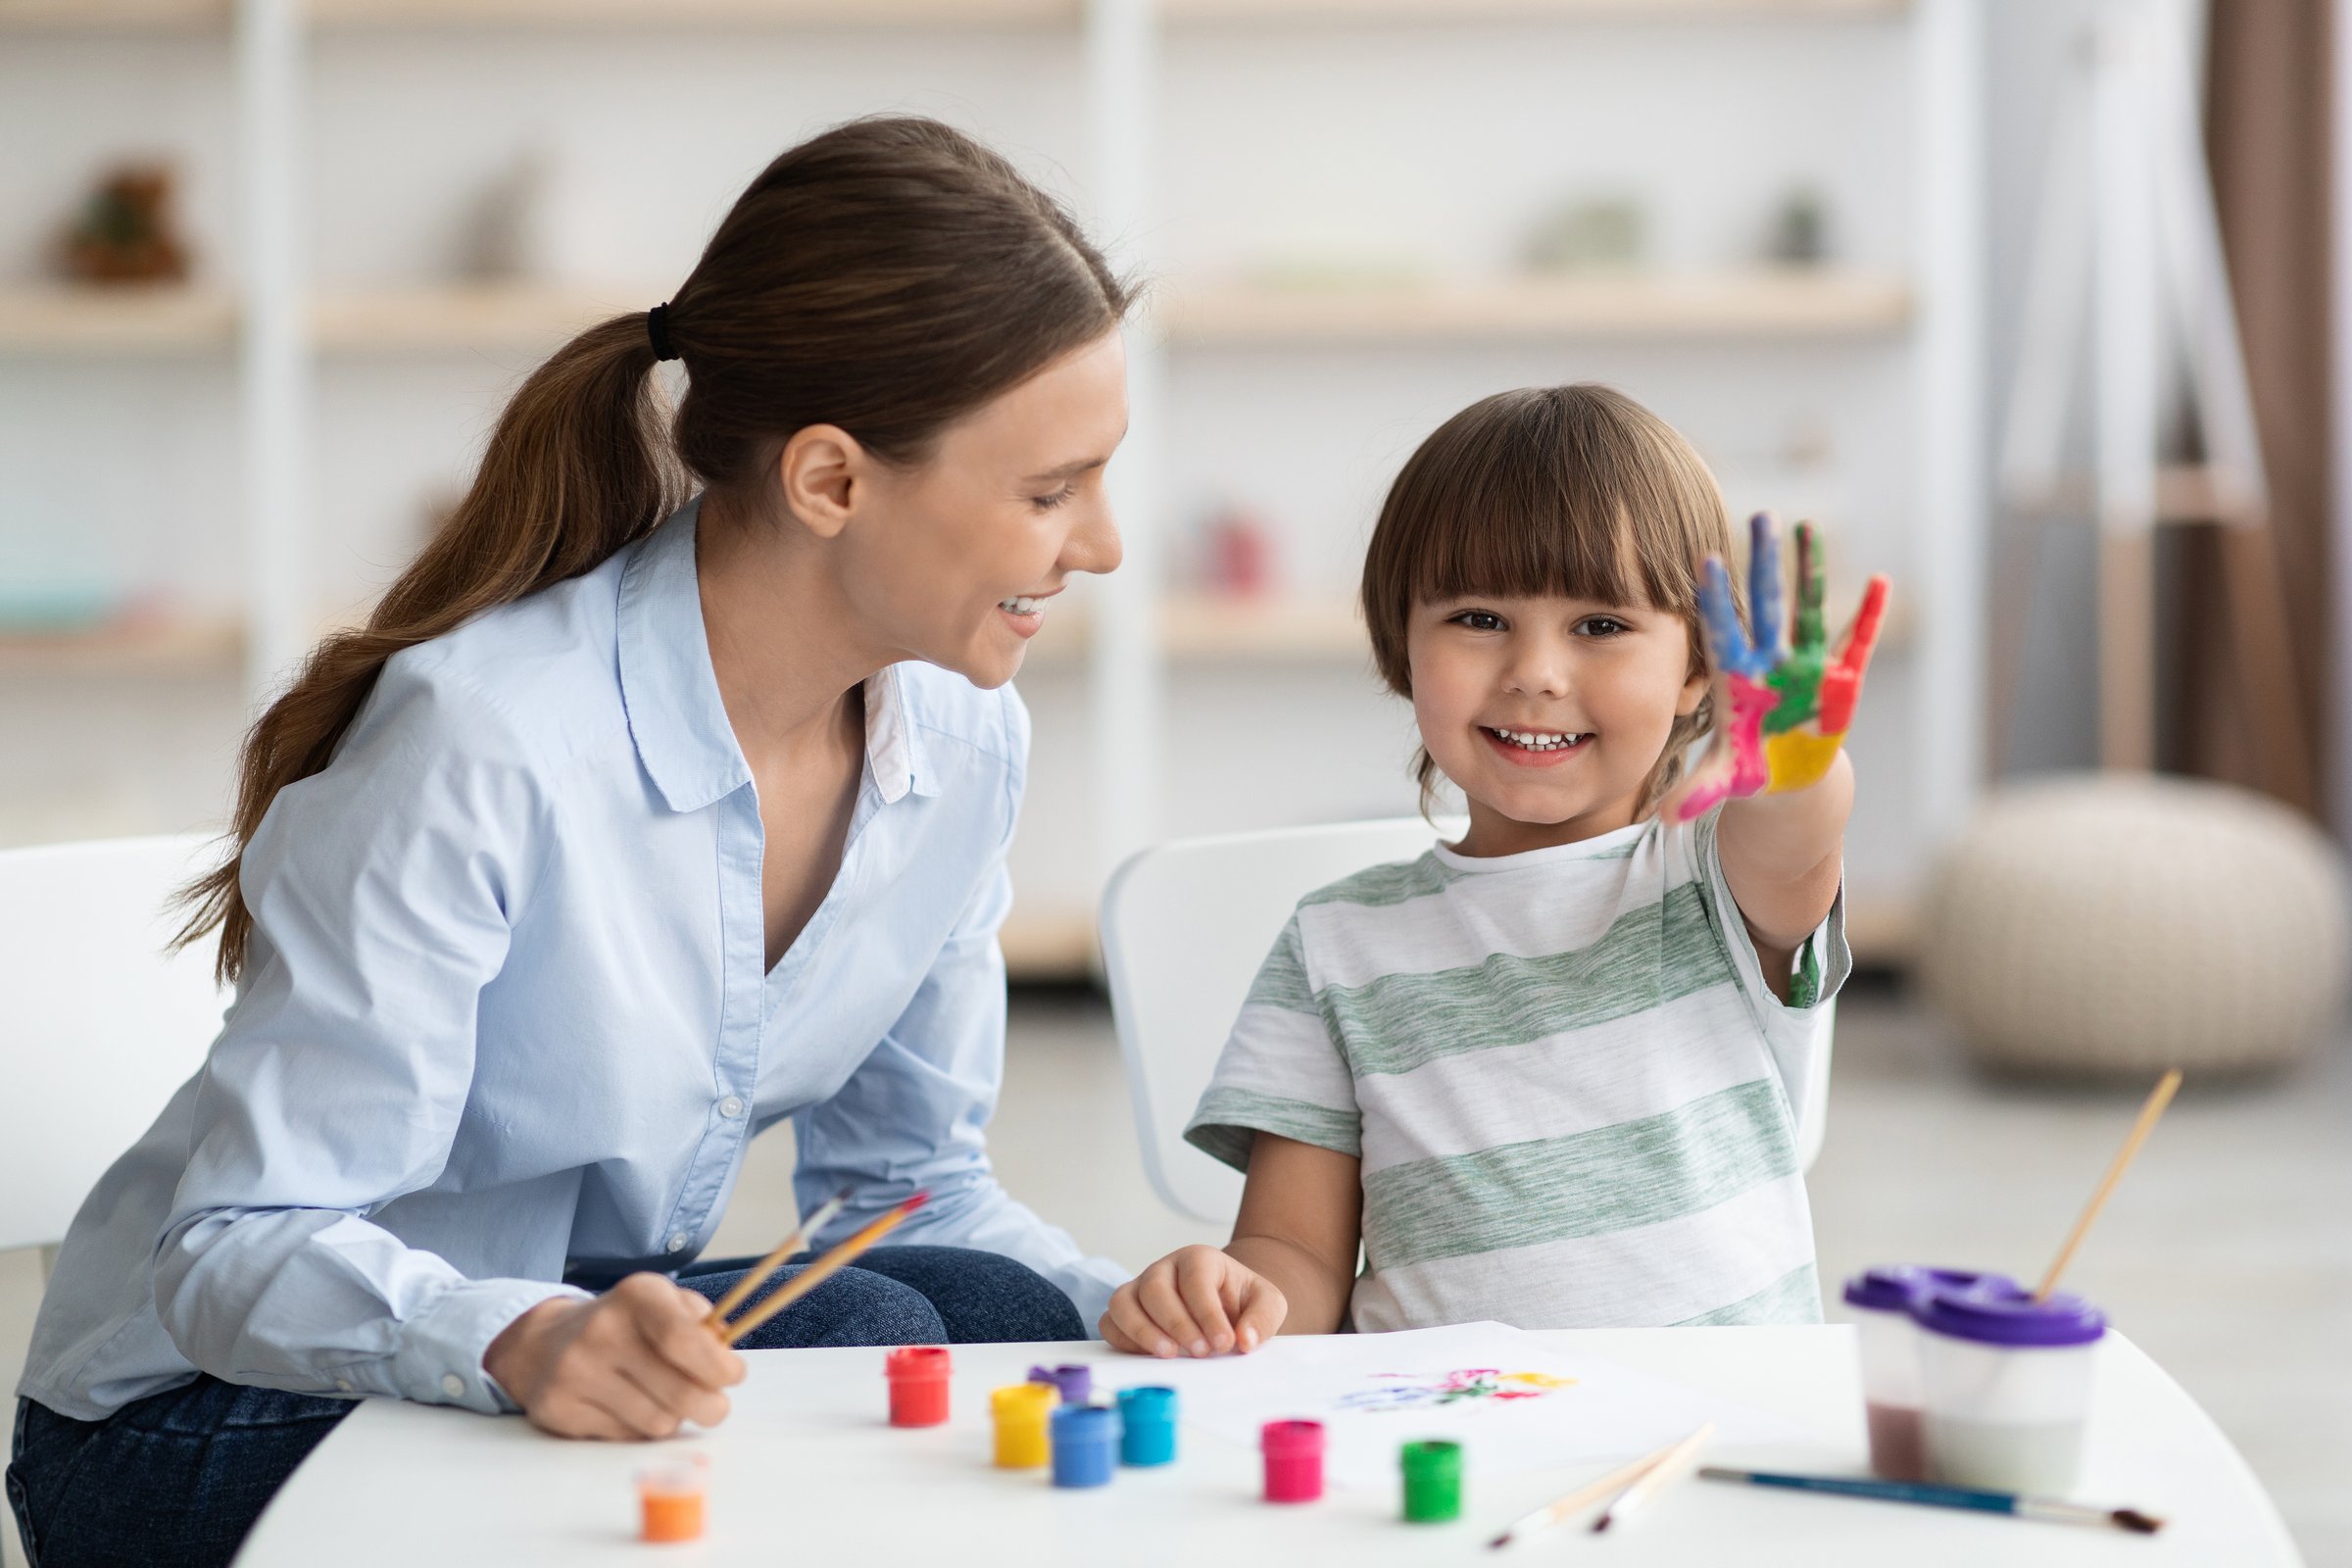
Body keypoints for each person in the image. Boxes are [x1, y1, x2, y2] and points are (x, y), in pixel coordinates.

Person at [9, 116, 1132, 1568]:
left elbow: (914, 1197)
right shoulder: (488, 738)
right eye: (1050, 491)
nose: (1100, 542)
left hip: (542, 1346)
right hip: (196, 1423)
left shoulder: (962, 744)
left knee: (993, 1315)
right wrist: (525, 1338)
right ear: (832, 481)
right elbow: (234, 1246)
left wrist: (1135, 1303)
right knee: (864, 1333)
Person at [1100, 383, 1888, 1356]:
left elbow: (1793, 831)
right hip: (1443, 1442)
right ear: (1402, 644)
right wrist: (1228, 1294)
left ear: (1698, 670)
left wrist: (1799, 763)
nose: (1536, 672)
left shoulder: (1710, 880)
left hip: (1715, 1439)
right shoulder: (1334, 941)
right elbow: (1293, 1253)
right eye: (1479, 617)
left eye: (1600, 625)